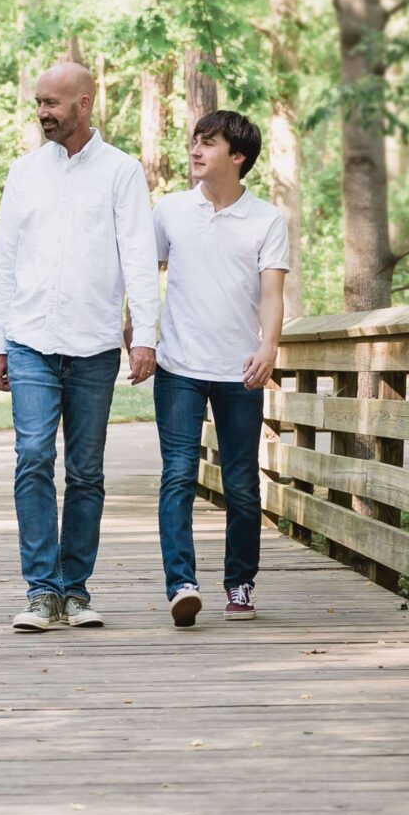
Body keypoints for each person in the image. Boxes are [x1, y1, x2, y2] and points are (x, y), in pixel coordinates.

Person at [0, 61, 160, 630]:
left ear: (84, 105)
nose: (42, 113)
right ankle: (41, 590)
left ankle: (75, 589)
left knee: (86, 470)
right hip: (30, 337)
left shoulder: (122, 171)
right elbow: (4, 261)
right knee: (33, 455)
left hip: (93, 343)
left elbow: (138, 255)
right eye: (38, 102)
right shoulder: (24, 172)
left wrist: (146, 336)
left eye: (52, 104)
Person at [151, 108, 291, 624]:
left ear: (238, 157)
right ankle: (181, 583)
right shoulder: (169, 210)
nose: (195, 150)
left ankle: (240, 584)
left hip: (240, 370)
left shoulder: (266, 219)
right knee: (178, 476)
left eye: (208, 143)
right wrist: (138, 331)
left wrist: (268, 347)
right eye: (195, 140)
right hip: (178, 367)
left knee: (240, 483)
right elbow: (145, 273)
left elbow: (272, 294)